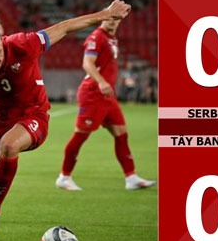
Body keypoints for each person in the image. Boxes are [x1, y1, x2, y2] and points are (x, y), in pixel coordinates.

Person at [0, 0, 131, 241]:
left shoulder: (24, 44)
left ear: (3, 42)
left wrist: (107, 13)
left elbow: (66, 26)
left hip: (33, 115)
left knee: (8, 145)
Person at [55, 17, 156, 191]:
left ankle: (131, 178)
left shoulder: (111, 39)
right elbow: (87, 63)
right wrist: (101, 82)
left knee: (121, 134)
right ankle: (64, 177)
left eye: (116, 19)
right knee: (81, 135)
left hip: (108, 96)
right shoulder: (96, 37)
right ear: (103, 18)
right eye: (110, 18)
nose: (113, 21)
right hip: (93, 93)